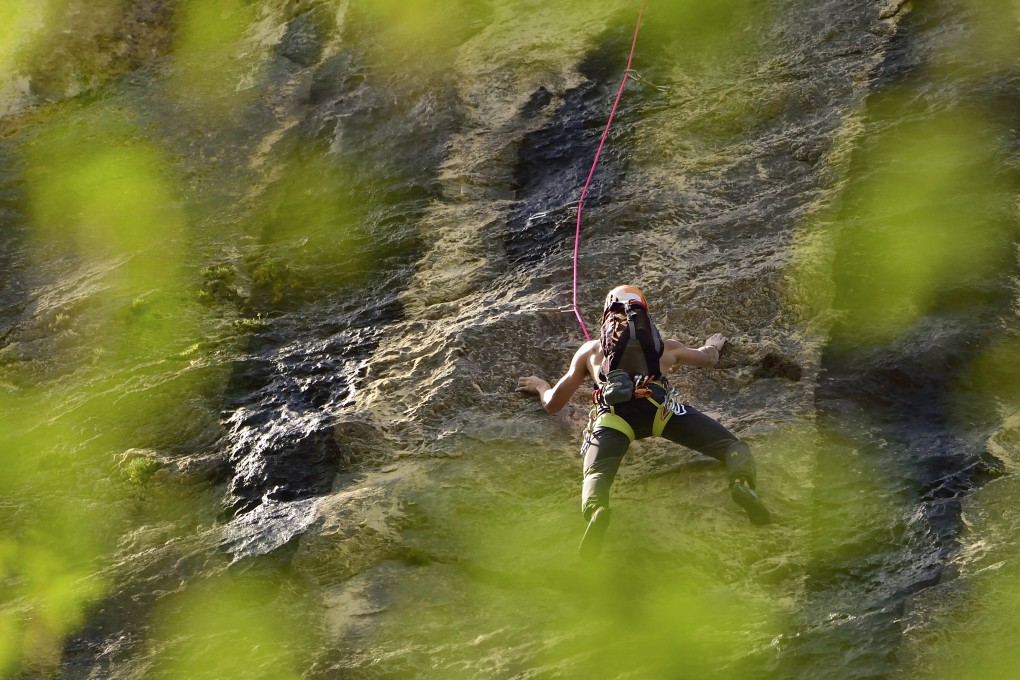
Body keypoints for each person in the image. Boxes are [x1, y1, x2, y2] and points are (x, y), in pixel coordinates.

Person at [517, 285, 770, 559]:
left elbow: (553, 404)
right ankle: (741, 484)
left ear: (606, 315)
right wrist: (713, 345)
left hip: (615, 420)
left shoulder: (590, 352)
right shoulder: (663, 348)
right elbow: (708, 359)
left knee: (597, 474)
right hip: (662, 413)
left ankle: (598, 510)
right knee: (731, 446)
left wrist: (541, 385)